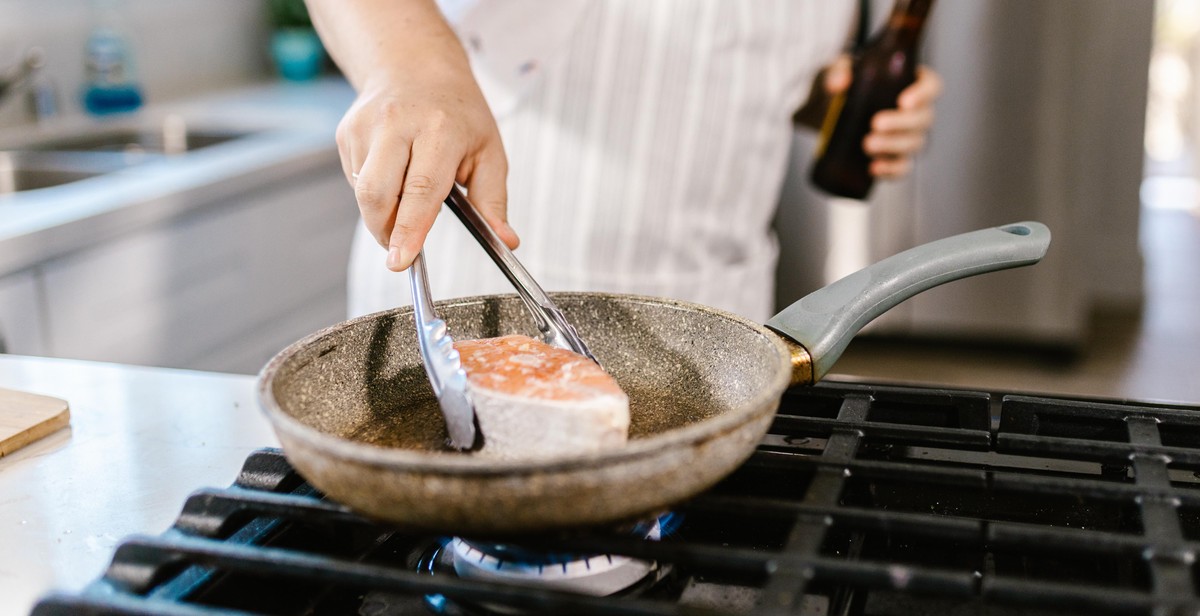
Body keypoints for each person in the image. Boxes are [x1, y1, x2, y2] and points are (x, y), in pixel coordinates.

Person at [305, 0, 942, 322]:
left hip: (720, 317)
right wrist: (413, 68)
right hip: (493, 291)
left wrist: (835, 101)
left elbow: (753, 72)